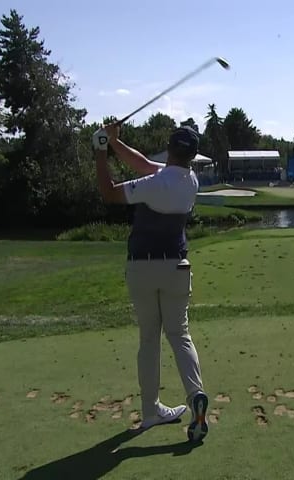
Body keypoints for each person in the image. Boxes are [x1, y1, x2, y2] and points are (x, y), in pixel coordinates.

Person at [91, 123, 209, 442]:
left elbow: (109, 191)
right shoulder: (191, 181)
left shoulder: (153, 184)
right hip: (177, 269)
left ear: (169, 149)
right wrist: (117, 143)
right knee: (180, 334)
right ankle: (195, 394)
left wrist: (101, 150)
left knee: (148, 339)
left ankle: (150, 411)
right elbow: (143, 164)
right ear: (192, 155)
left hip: (142, 269)